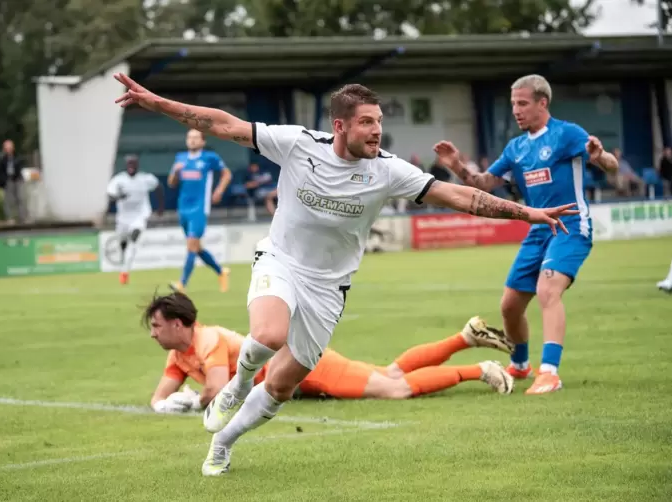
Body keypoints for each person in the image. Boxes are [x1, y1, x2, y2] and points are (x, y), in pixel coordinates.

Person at [113, 73, 578, 476]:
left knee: (280, 387)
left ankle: (223, 443)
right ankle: (236, 385)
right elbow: (220, 123)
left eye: (379, 121)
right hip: (280, 260)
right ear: (340, 125)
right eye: (367, 122)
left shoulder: (388, 171)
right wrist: (154, 102)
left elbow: (465, 198)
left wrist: (528, 213)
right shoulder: (297, 144)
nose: (377, 131)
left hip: (328, 288)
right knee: (269, 334)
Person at [433, 74, 619, 395]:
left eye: (522, 103)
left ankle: (550, 373)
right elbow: (483, 184)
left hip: (570, 226)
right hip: (537, 230)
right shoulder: (516, 148)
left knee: (548, 289)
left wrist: (600, 155)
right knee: (509, 306)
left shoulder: (566, 134)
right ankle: (520, 365)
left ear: (542, 103)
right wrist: (456, 166)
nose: (516, 111)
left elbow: (612, 166)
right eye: (513, 104)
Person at [144, 289, 515, 416]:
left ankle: (481, 369)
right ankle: (465, 337)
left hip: (308, 369)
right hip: (299, 376)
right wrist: (165, 404)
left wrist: (191, 403)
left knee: (395, 388)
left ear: (179, 324)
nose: (153, 333)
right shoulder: (179, 353)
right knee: (392, 373)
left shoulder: (208, 340)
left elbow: (217, 391)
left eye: (157, 325)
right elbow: (158, 397)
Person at [168, 129, 232, 293]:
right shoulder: (180, 158)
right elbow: (171, 183)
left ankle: (182, 284)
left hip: (199, 208)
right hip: (183, 208)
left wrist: (219, 191)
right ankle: (221, 271)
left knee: (191, 245)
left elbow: (226, 174)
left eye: (196, 138)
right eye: (190, 137)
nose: (192, 140)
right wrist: (176, 171)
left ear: (203, 141)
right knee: (196, 247)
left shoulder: (210, 157)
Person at [106, 154, 164, 285]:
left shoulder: (145, 178)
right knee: (123, 241)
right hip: (123, 218)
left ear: (137, 165)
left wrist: (160, 208)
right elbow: (110, 195)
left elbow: (158, 187)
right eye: (129, 164)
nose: (131, 166)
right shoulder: (119, 180)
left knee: (134, 237)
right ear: (126, 165)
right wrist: (119, 197)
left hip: (140, 215)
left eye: (133, 164)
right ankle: (123, 262)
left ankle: (125, 272)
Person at [0, 139, 27, 224]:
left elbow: (20, 166)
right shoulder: (2, 158)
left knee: (20, 198)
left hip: (17, 179)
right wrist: (2, 180)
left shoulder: (17, 156)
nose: (8, 149)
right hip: (8, 180)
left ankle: (22, 217)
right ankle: (10, 218)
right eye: (6, 148)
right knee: (8, 200)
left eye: (9, 147)